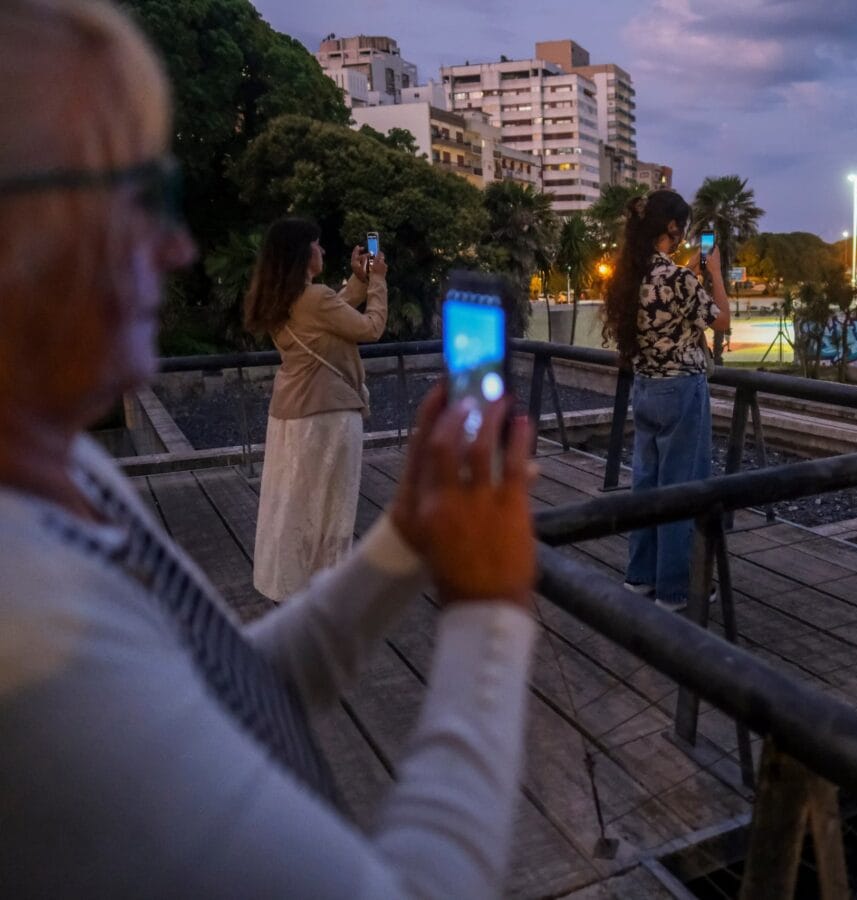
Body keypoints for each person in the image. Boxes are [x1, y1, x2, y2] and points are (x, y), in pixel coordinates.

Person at [0, 2, 538, 897]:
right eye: (130, 198)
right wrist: (492, 609)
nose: (174, 245)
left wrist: (405, 540)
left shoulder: (61, 469)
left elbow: (232, 689)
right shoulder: (28, 642)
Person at [245, 217, 387, 602]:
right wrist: (377, 281)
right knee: (331, 509)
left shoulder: (281, 298)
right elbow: (370, 328)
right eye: (317, 244)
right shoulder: (315, 297)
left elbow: (329, 314)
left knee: (290, 505)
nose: (322, 251)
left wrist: (357, 282)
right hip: (328, 416)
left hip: (289, 415)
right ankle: (328, 594)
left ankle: (288, 587)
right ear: (302, 253)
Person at [602, 190, 731, 611]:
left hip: (645, 387)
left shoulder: (632, 275)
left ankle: (640, 577)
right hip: (682, 390)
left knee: (647, 483)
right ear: (672, 228)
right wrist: (713, 271)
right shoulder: (680, 280)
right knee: (680, 488)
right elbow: (722, 320)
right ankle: (675, 590)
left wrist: (689, 272)